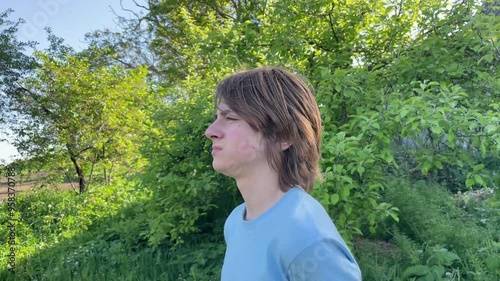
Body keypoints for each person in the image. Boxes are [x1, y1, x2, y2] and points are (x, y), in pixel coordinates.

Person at [204, 66, 362, 281]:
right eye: (217, 117)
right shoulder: (235, 223)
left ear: (283, 136)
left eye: (230, 118)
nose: (211, 131)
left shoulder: (308, 239)